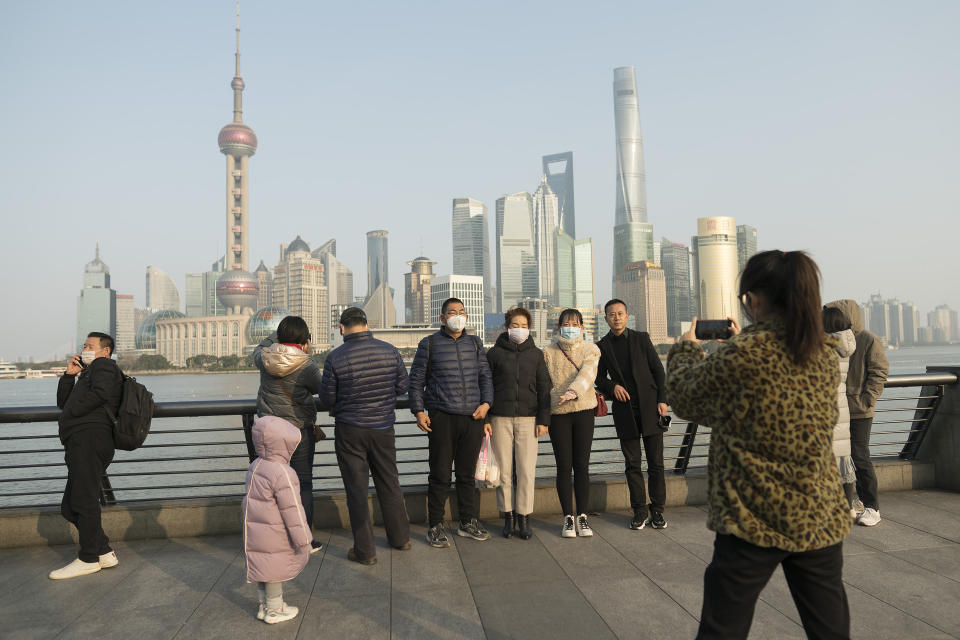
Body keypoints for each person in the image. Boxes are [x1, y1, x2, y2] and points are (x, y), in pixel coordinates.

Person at [667, 250, 852, 640]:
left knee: (723, 627)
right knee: (830, 628)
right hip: (816, 509)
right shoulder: (821, 351)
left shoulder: (746, 354)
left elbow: (685, 396)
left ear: (754, 299)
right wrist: (742, 341)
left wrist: (685, 348)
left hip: (753, 513)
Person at [319, 307, 411, 564]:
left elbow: (327, 398)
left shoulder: (335, 358)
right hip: (383, 428)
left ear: (341, 328)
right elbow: (403, 386)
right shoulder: (389, 350)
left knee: (357, 490)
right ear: (367, 325)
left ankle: (365, 551)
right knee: (389, 482)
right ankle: (401, 538)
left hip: (350, 429)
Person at [409, 297, 494, 548]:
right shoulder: (429, 344)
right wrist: (418, 412)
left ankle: (467, 522)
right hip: (442, 417)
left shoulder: (476, 344)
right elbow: (415, 382)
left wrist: (486, 404)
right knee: (440, 474)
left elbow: (485, 378)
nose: (457, 315)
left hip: (472, 418)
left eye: (461, 311)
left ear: (466, 317)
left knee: (467, 475)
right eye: (452, 312)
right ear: (442, 318)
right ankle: (435, 525)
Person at [51, 332, 122, 580]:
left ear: (105, 351)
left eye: (90, 346)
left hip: (90, 440)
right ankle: (103, 551)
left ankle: (88, 558)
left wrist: (72, 414)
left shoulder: (104, 366)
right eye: (84, 345)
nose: (85, 349)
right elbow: (63, 402)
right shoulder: (89, 372)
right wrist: (69, 376)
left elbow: (101, 395)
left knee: (83, 502)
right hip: (82, 441)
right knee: (69, 507)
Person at [595, 299, 669, 531]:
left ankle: (657, 511)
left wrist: (662, 400)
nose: (616, 317)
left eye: (620, 313)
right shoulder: (602, 345)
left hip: (650, 408)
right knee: (633, 464)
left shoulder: (641, 338)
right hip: (624, 410)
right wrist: (612, 387)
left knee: (656, 464)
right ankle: (639, 511)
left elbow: (658, 370)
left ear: (627, 316)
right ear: (605, 318)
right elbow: (598, 378)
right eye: (611, 314)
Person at [253, 315, 324, 552]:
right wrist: (307, 350)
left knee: (272, 485)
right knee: (302, 484)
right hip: (298, 431)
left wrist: (277, 336)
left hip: (269, 431)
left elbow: (260, 346)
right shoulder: (307, 365)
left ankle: (276, 538)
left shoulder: (264, 357)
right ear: (304, 340)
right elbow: (321, 389)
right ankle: (305, 539)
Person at [485, 307, 551, 539]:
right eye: (515, 325)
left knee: (525, 470)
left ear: (529, 328)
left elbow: (544, 389)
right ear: (507, 327)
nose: (519, 330)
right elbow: (486, 387)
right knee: (503, 471)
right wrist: (486, 418)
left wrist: (544, 420)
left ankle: (524, 517)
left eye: (524, 326)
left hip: (529, 419)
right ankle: (508, 516)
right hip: (499, 418)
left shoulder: (536, 355)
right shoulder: (494, 354)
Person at [825, 299, 889, 527]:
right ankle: (853, 503)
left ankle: (873, 507)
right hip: (838, 411)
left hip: (860, 411)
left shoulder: (867, 339)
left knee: (860, 457)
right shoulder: (832, 340)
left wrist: (866, 400)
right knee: (842, 460)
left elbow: (880, 371)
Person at [243, 416, 313, 624]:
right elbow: (293, 510)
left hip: (257, 529)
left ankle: (264, 606)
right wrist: (304, 539)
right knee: (274, 568)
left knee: (264, 566)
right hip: (275, 531)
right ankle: (274, 610)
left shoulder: (256, 465)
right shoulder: (283, 472)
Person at [543, 308, 601, 538]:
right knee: (564, 467)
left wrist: (573, 392)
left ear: (582, 327)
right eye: (567, 323)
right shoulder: (547, 352)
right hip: (558, 414)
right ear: (558, 327)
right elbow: (542, 383)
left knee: (582, 465)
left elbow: (588, 374)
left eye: (576, 323)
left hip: (583, 411)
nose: (571, 327)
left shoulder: (591, 349)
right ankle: (568, 517)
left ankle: (583, 517)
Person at [823, 306, 861, 517]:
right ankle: (849, 506)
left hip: (826, 408)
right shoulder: (846, 344)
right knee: (843, 458)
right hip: (841, 407)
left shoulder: (825, 346)